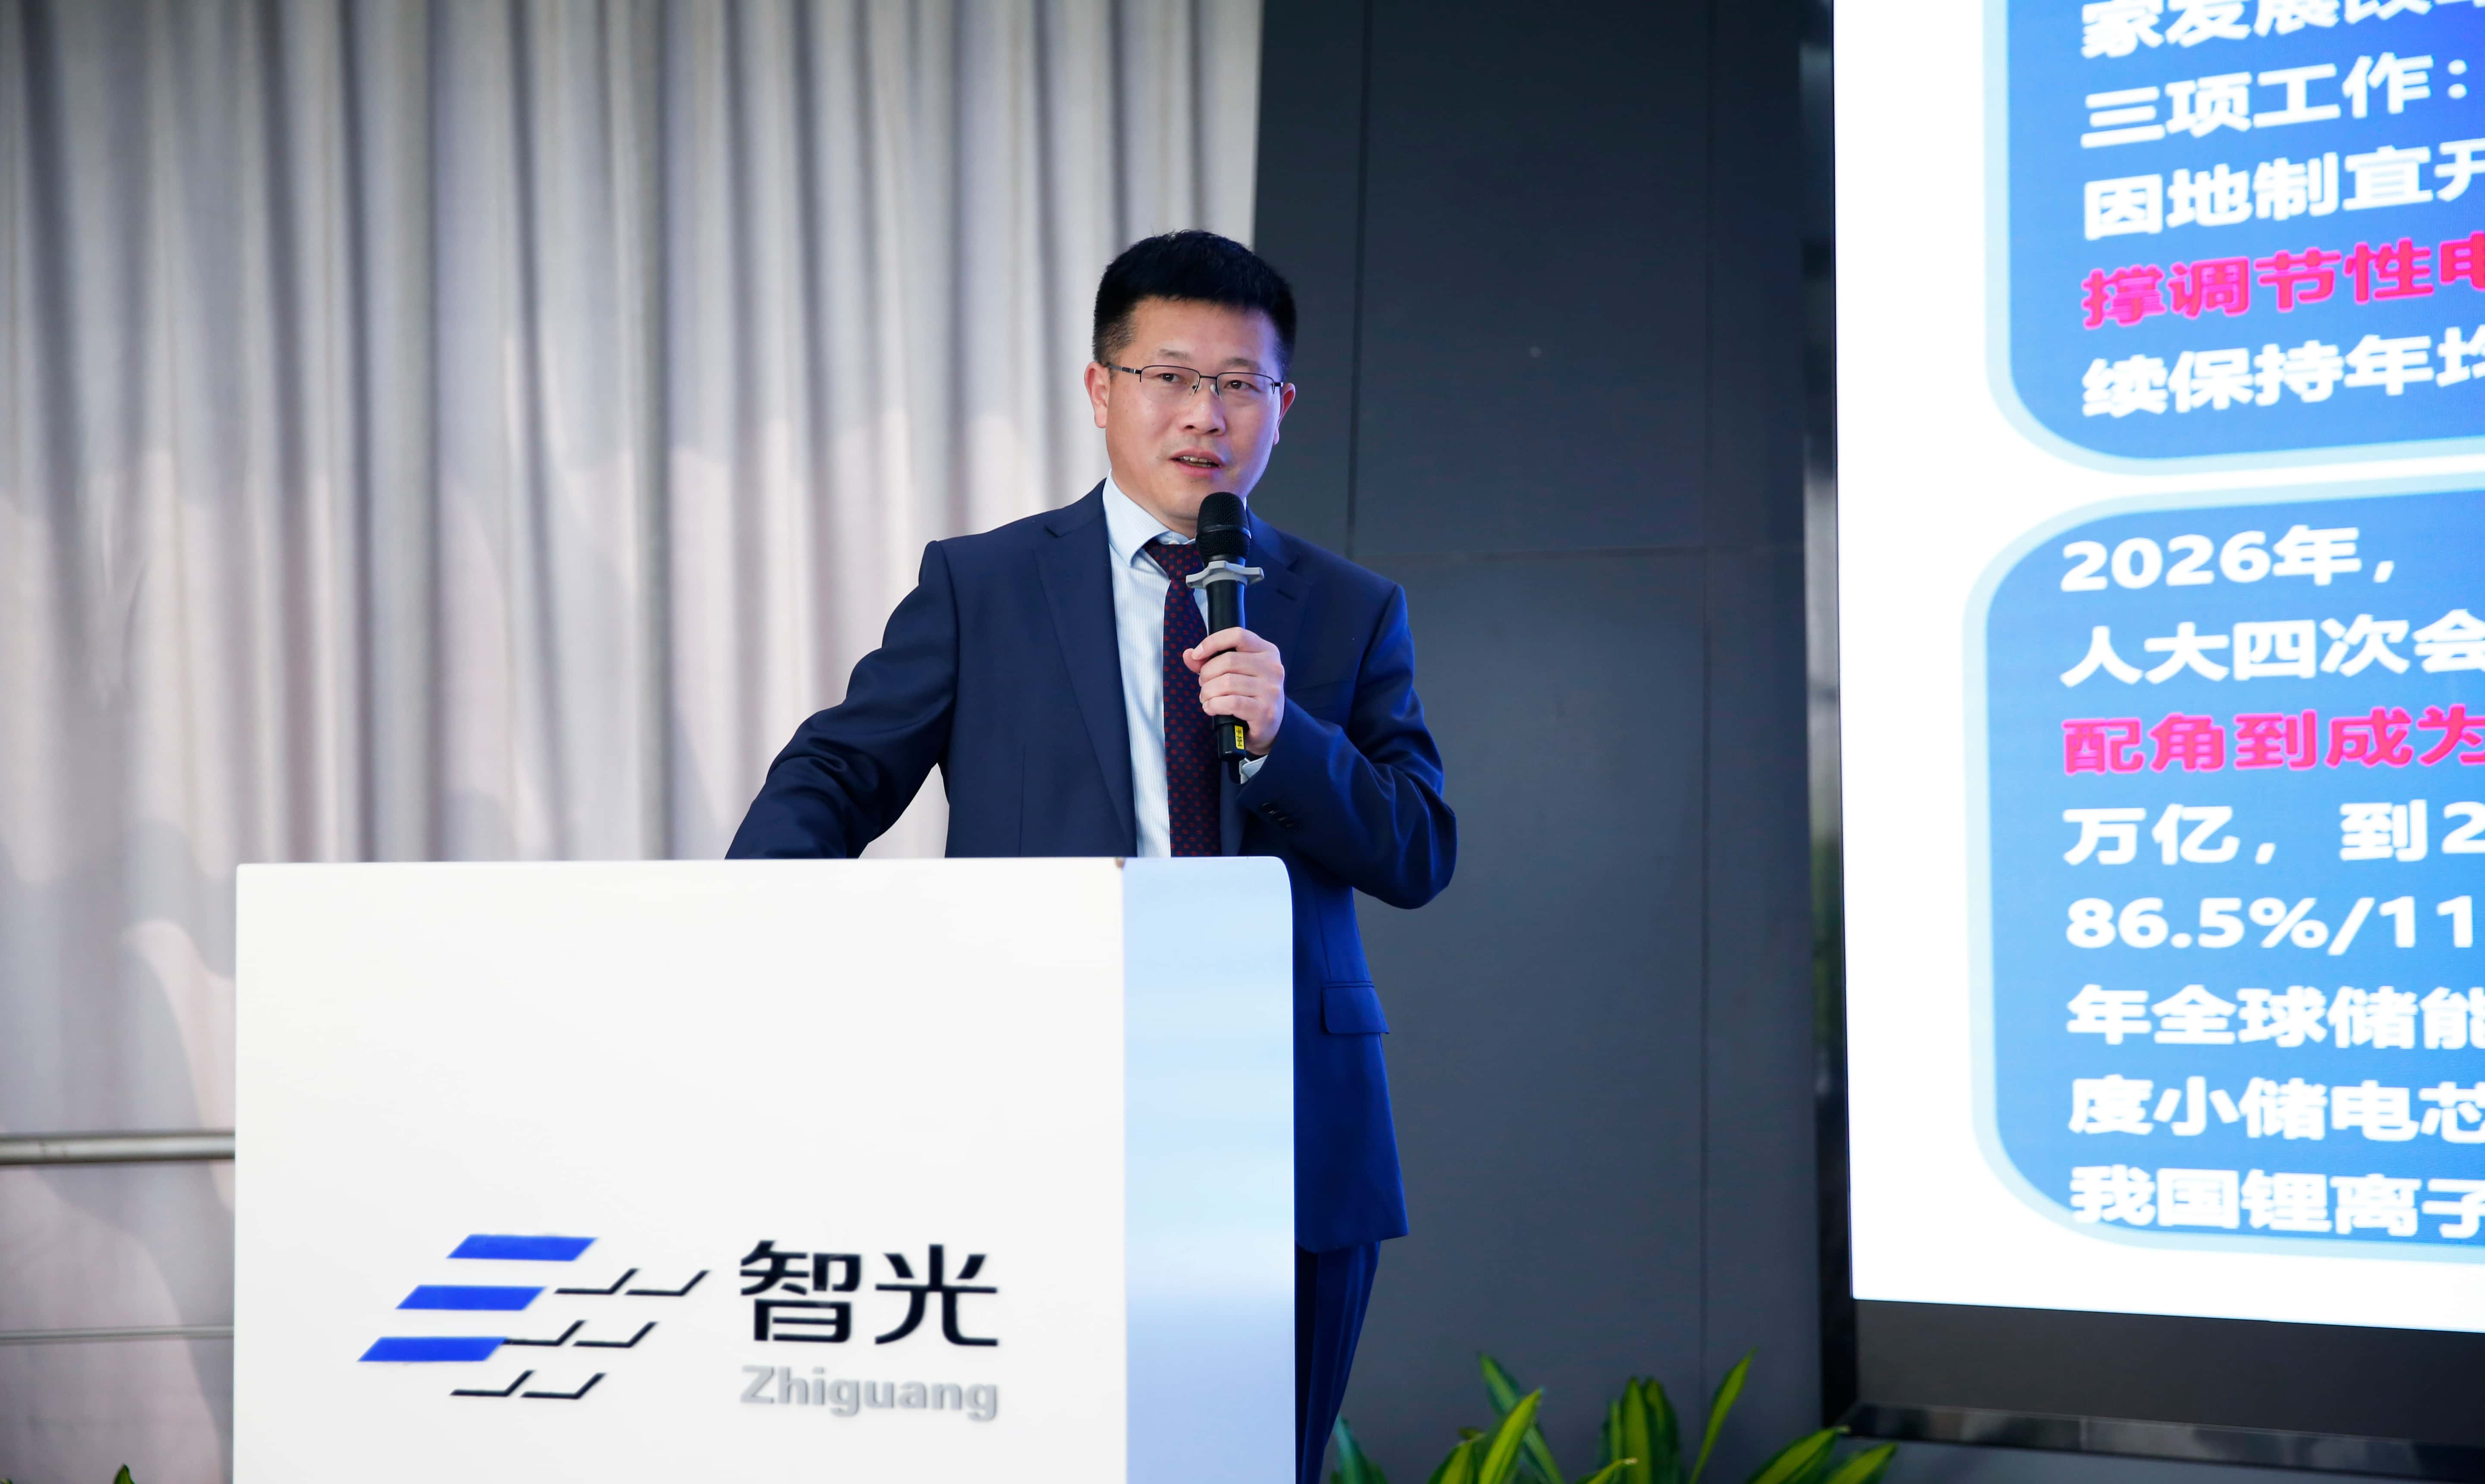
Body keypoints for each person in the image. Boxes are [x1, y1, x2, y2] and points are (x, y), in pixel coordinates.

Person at [727, 229, 1455, 1483]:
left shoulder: (1348, 606)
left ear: (1283, 408)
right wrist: (763, 937)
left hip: (1288, 1118)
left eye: (1240, 385)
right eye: (1171, 377)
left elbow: (1418, 848)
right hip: (1036, 1091)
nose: (1204, 415)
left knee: (1259, 1464)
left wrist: (1290, 736)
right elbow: (837, 773)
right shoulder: (986, 585)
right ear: (1101, 389)